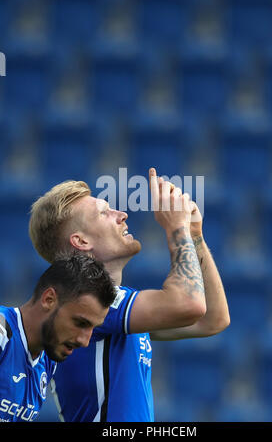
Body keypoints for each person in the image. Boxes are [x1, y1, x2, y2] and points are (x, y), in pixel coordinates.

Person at [29, 167, 230, 422]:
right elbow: (189, 304)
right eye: (105, 212)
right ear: (81, 242)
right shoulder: (85, 298)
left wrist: (194, 235)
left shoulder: (114, 307)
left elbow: (212, 319)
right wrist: (176, 229)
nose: (121, 215)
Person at [0, 253, 116, 422]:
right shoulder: (3, 331)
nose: (84, 342)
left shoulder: (46, 360)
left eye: (93, 328)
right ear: (49, 299)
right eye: (80, 323)